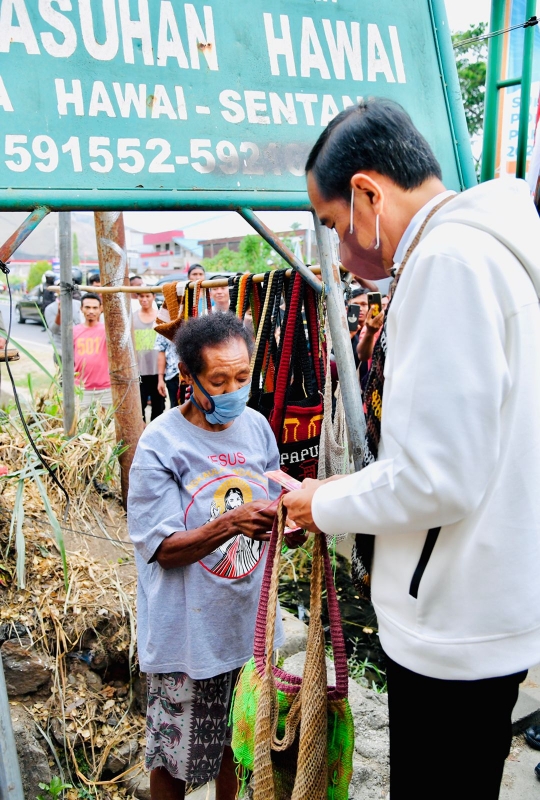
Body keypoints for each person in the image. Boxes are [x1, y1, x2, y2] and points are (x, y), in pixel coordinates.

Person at [283, 98, 540, 800]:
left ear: (368, 193)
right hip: (487, 600)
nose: (340, 252)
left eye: (336, 226)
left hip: (451, 625)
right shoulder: (499, 249)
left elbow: (436, 477)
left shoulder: (448, 262)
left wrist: (321, 501)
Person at [127, 313, 284, 800]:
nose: (234, 390)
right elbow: (162, 550)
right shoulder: (161, 443)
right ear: (188, 379)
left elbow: (275, 496)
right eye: (219, 381)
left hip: (249, 629)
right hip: (188, 640)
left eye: (242, 377)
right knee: (176, 762)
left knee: (236, 751)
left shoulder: (257, 427)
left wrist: (289, 526)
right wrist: (231, 522)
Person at [73, 293, 111, 409]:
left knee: (107, 424)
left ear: (101, 309)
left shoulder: (108, 330)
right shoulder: (73, 331)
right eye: (87, 307)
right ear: (81, 309)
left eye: (95, 308)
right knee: (81, 424)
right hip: (82, 388)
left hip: (106, 388)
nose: (91, 311)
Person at [133, 290, 165, 422]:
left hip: (157, 370)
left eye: (147, 296)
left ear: (153, 297)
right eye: (141, 296)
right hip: (139, 370)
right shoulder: (133, 317)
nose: (144, 299)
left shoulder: (161, 318)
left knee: (159, 406)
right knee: (139, 405)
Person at [44, 295, 82, 365]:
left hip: (80, 352)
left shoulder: (79, 304)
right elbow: (54, 330)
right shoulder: (50, 308)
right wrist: (59, 313)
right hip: (61, 352)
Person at [155, 332, 180, 408]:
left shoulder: (194, 321)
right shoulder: (164, 326)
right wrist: (160, 379)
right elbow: (161, 352)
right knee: (175, 407)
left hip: (193, 374)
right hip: (173, 375)